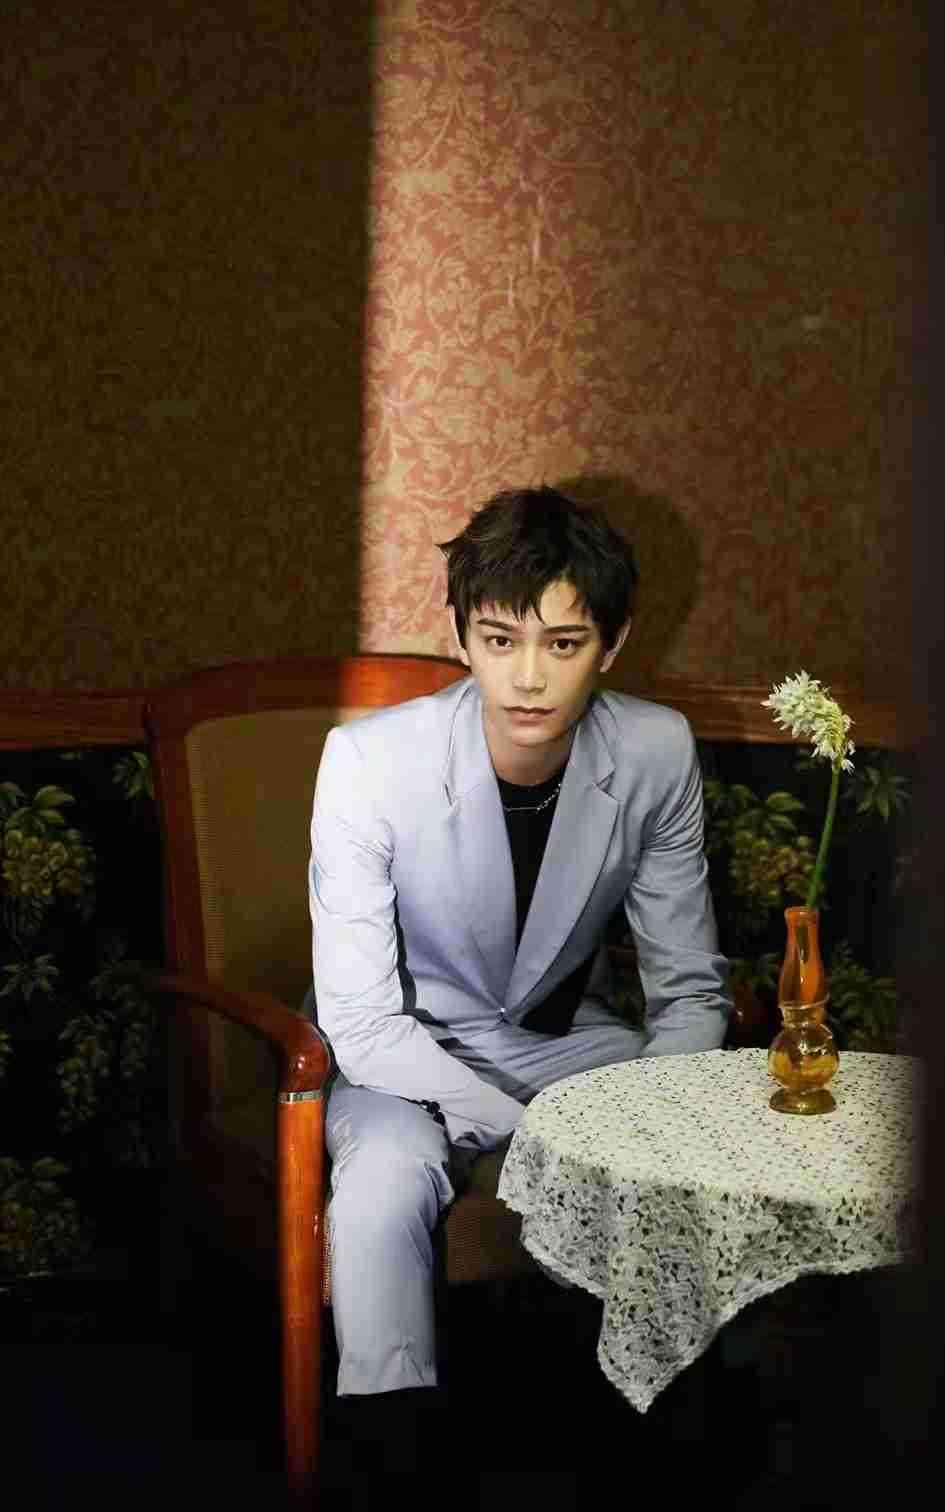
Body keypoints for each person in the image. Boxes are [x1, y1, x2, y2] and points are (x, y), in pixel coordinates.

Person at [307, 485, 731, 1469]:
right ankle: (389, 1452)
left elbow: (688, 993)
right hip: (400, 1047)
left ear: (612, 645)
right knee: (382, 1179)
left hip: (565, 1039)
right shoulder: (368, 761)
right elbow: (360, 1024)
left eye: (563, 643)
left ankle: (659, 1432)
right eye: (500, 641)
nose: (528, 677)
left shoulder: (656, 750)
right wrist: (549, 1131)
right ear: (461, 636)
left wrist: (655, 1119)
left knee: (690, 1149)